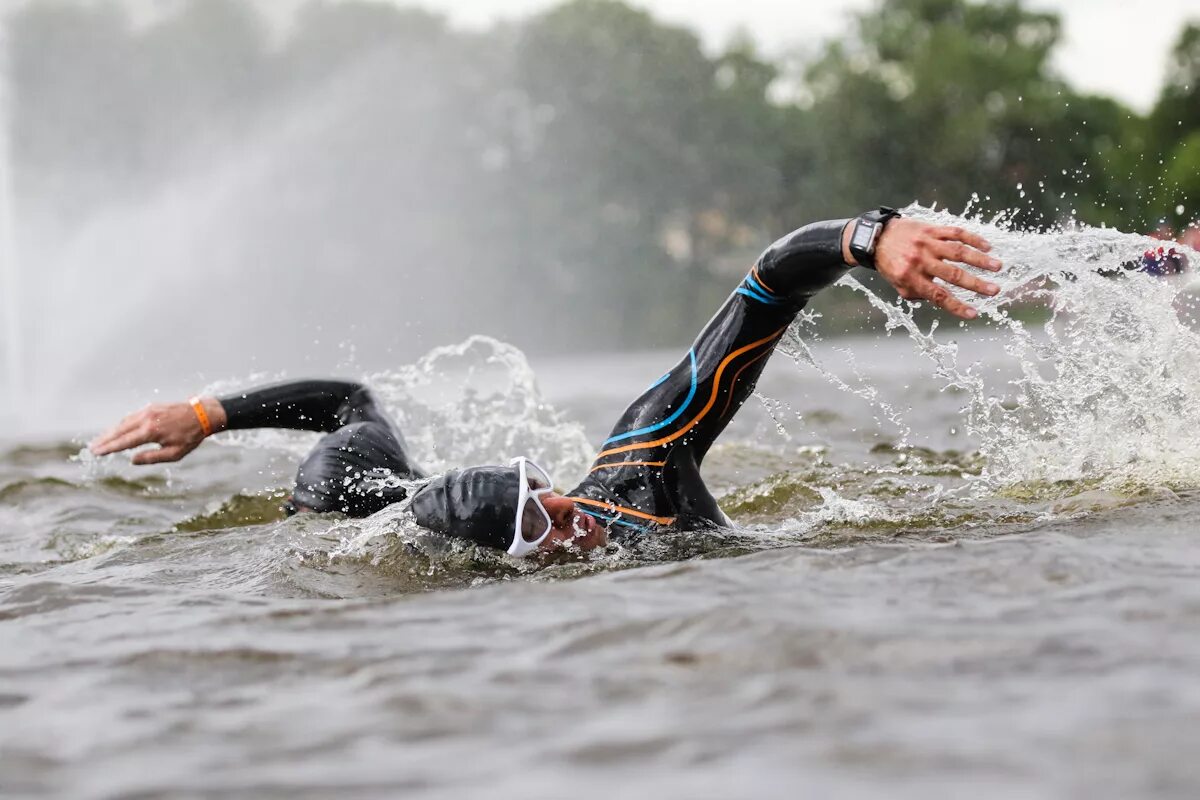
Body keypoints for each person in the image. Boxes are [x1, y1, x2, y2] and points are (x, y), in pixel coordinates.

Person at [90, 210, 1002, 557]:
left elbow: (767, 281)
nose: (573, 519)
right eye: (541, 530)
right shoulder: (360, 524)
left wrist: (867, 238)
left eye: (548, 496)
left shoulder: (642, 472)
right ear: (498, 568)